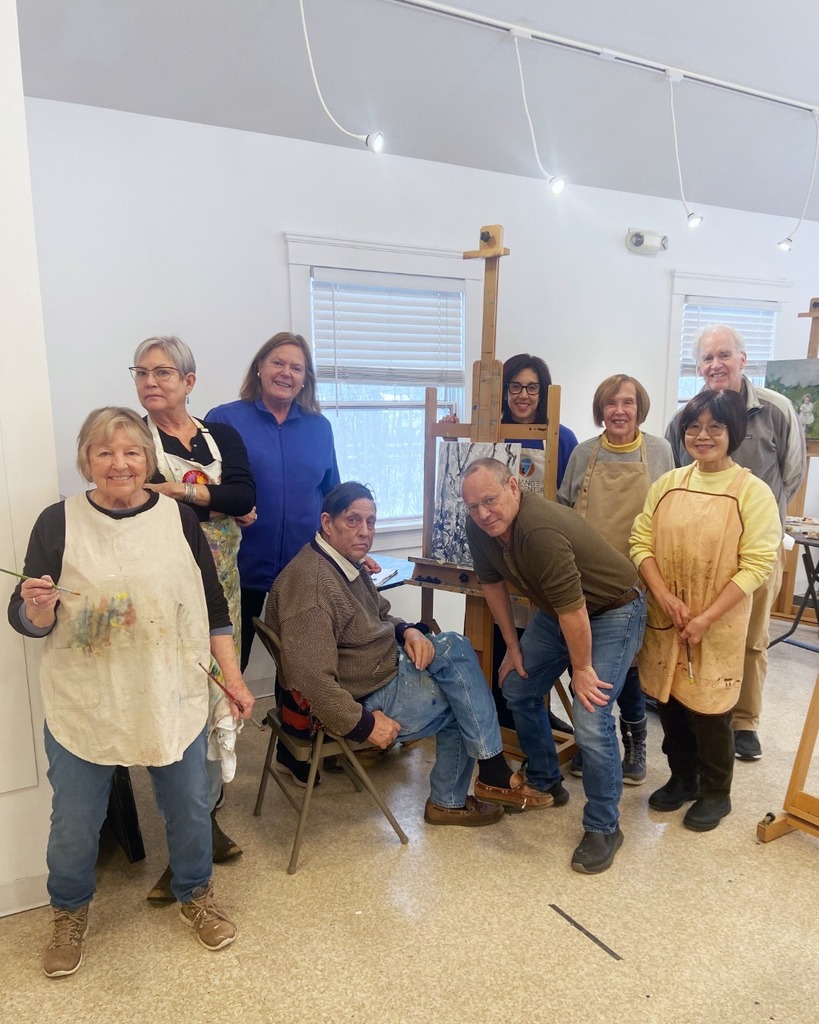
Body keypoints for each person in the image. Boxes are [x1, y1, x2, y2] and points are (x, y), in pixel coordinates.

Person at [7, 408, 255, 978]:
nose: (119, 463)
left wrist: (233, 680)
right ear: (86, 460)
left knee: (189, 804)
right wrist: (37, 608)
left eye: (131, 452)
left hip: (170, 687)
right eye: (104, 452)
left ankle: (196, 893)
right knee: (74, 817)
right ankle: (69, 911)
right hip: (86, 694)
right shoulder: (57, 522)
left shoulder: (179, 519)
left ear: (148, 459)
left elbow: (212, 607)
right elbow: (28, 619)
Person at [266, 482, 558, 825]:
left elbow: (378, 616)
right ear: (327, 523)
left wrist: (408, 631)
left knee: (455, 647)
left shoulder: (342, 562)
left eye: (371, 522)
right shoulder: (313, 586)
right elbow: (311, 682)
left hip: (377, 667)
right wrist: (363, 724)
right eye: (353, 520)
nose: (364, 531)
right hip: (359, 698)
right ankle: (460, 794)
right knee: (462, 701)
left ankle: (487, 774)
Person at [462, 458, 647, 873]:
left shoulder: (539, 531)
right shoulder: (480, 528)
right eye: (473, 507)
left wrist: (582, 669)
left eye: (490, 500)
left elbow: (575, 612)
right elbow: (492, 585)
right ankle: (546, 778)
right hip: (560, 609)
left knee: (590, 714)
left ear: (513, 487)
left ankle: (604, 826)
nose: (483, 513)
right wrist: (512, 647)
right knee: (517, 686)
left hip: (614, 607)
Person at [130, 335, 256, 898]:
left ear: (189, 381)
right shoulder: (134, 439)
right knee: (179, 710)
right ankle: (188, 842)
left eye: (162, 372)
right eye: (141, 373)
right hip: (167, 596)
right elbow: (137, 502)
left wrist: (174, 490)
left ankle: (206, 824)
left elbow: (245, 496)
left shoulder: (221, 434)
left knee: (220, 701)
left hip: (224, 588)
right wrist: (213, 495)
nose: (150, 382)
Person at [632, 390, 780, 830]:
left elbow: (757, 564)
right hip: (668, 616)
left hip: (718, 622)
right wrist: (665, 597)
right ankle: (683, 778)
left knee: (712, 709)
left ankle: (717, 792)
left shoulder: (751, 492)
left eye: (715, 427)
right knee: (671, 702)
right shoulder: (668, 484)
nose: (703, 435)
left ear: (733, 432)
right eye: (694, 427)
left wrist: (706, 617)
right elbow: (640, 543)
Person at [665, 324, 805, 761]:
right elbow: (673, 476)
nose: (716, 364)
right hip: (697, 551)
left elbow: (792, 474)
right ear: (698, 367)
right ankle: (699, 707)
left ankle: (744, 720)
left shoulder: (777, 409)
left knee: (750, 636)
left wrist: (755, 519)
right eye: (707, 358)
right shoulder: (683, 419)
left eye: (724, 354)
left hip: (755, 551)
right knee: (698, 629)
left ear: (743, 359)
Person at [206, 332, 341, 784]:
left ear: (306, 379)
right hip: (236, 568)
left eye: (296, 367)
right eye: (278, 363)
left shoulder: (319, 428)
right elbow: (207, 488)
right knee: (228, 667)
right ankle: (210, 769)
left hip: (301, 569)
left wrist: (351, 552)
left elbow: (332, 496)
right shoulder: (225, 420)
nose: (286, 373)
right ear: (260, 367)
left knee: (299, 665)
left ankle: (293, 751)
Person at [441, 353, 578, 736]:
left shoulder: (561, 437)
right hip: (496, 554)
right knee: (502, 634)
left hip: (540, 553)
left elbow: (568, 499)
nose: (523, 395)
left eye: (532, 387)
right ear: (503, 392)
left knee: (539, 639)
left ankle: (534, 711)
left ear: (543, 392)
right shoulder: (488, 434)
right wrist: (452, 439)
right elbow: (464, 476)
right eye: (515, 386)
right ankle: (503, 717)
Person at [557, 374, 674, 784]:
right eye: (611, 403)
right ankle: (595, 743)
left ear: (639, 408)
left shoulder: (659, 451)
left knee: (630, 670)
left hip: (638, 580)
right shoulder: (583, 454)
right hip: (586, 582)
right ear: (600, 410)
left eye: (628, 402)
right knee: (584, 663)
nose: (619, 411)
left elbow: (668, 513)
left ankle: (635, 741)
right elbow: (564, 510)